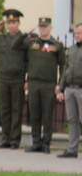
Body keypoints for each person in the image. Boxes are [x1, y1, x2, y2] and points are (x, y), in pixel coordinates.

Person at [0, 9, 30, 148]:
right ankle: (5, 139)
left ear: (18, 23)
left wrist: (28, 79)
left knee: (16, 110)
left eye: (14, 22)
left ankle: (14, 140)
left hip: (18, 79)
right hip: (3, 78)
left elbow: (29, 61)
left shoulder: (24, 40)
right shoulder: (0, 38)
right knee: (5, 110)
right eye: (9, 22)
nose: (11, 25)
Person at [24, 17, 65, 153]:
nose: (43, 29)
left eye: (45, 26)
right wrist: (26, 33)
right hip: (33, 83)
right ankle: (36, 143)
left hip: (49, 84)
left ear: (50, 28)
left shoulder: (57, 45)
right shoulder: (32, 43)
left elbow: (63, 66)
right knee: (34, 114)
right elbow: (16, 46)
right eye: (41, 26)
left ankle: (46, 143)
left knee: (47, 116)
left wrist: (60, 84)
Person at [56, 22, 82, 158]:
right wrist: (61, 89)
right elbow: (66, 69)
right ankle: (72, 149)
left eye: (80, 33)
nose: (77, 35)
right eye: (75, 33)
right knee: (72, 120)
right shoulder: (71, 50)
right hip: (70, 89)